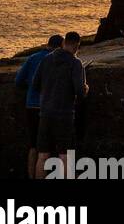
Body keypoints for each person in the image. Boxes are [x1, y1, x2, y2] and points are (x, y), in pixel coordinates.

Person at [32, 31, 88, 179]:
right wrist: (85, 89)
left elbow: (35, 84)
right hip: (64, 115)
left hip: (45, 114)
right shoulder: (75, 63)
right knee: (65, 155)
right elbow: (79, 91)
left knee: (43, 155)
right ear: (77, 45)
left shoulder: (46, 59)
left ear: (63, 43)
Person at [15, 35, 62, 179]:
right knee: (52, 146)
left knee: (34, 145)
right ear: (59, 47)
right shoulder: (57, 60)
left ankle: (31, 176)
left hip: (31, 106)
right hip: (49, 107)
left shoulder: (32, 58)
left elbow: (18, 81)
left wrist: (30, 88)